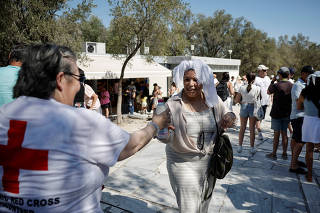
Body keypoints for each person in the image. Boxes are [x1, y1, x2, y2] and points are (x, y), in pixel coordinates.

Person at [0, 43, 168, 213]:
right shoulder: (81, 122)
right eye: (78, 78)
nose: (80, 86)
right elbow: (131, 145)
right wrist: (155, 125)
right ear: (60, 80)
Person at [158, 59, 236, 213]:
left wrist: (230, 117)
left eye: (195, 79)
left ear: (204, 81)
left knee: (203, 205)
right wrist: (164, 132)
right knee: (189, 208)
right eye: (187, 79)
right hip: (181, 163)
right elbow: (163, 136)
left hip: (209, 163)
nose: (191, 84)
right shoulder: (172, 104)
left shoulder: (213, 100)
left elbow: (229, 114)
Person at [289, 66, 314, 174]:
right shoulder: (298, 85)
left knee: (296, 139)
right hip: (299, 116)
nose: (310, 76)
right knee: (300, 141)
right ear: (303, 73)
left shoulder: (307, 85)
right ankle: (293, 165)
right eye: (309, 74)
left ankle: (294, 161)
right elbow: (298, 102)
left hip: (302, 116)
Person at [297, 71, 320, 182]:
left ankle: (309, 175)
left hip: (309, 122)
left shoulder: (305, 92)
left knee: (309, 149)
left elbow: (299, 106)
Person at [265, 67, 293, 160]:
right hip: (287, 113)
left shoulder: (276, 85)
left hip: (276, 113)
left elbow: (268, 92)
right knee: (284, 133)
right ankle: (284, 154)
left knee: (276, 134)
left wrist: (272, 81)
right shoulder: (291, 85)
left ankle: (274, 153)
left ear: (280, 75)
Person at [234, 72, 260, 154]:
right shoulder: (257, 88)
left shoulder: (241, 87)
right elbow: (259, 100)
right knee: (252, 129)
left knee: (242, 128)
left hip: (244, 107)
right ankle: (252, 148)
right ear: (254, 79)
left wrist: (242, 102)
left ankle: (239, 146)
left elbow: (236, 100)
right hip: (253, 107)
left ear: (247, 78)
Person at [253, 64, 271, 140]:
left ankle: (255, 128)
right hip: (258, 102)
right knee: (258, 117)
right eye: (264, 70)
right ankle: (259, 132)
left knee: (262, 117)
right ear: (259, 71)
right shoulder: (256, 79)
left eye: (266, 70)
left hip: (266, 101)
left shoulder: (268, 78)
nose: (266, 71)